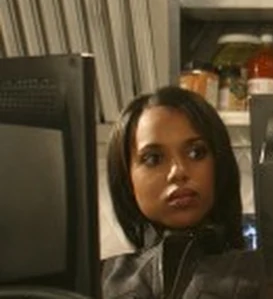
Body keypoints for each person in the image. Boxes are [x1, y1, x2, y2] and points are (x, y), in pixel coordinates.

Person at [102, 86, 261, 299]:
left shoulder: (267, 279)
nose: (178, 172)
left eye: (196, 153)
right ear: (126, 178)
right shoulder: (97, 281)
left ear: (219, 164)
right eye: (153, 159)